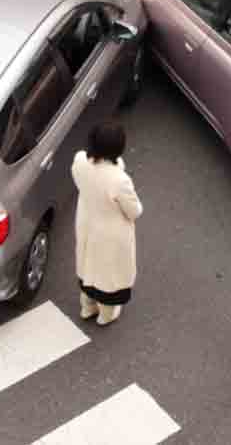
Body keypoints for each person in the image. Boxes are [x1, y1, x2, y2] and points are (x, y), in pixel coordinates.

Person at [71, 121, 143, 326]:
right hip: (110, 234)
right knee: (108, 276)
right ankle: (105, 315)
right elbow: (135, 211)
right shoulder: (119, 180)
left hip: (86, 222)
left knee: (87, 266)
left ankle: (87, 307)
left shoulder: (79, 162)